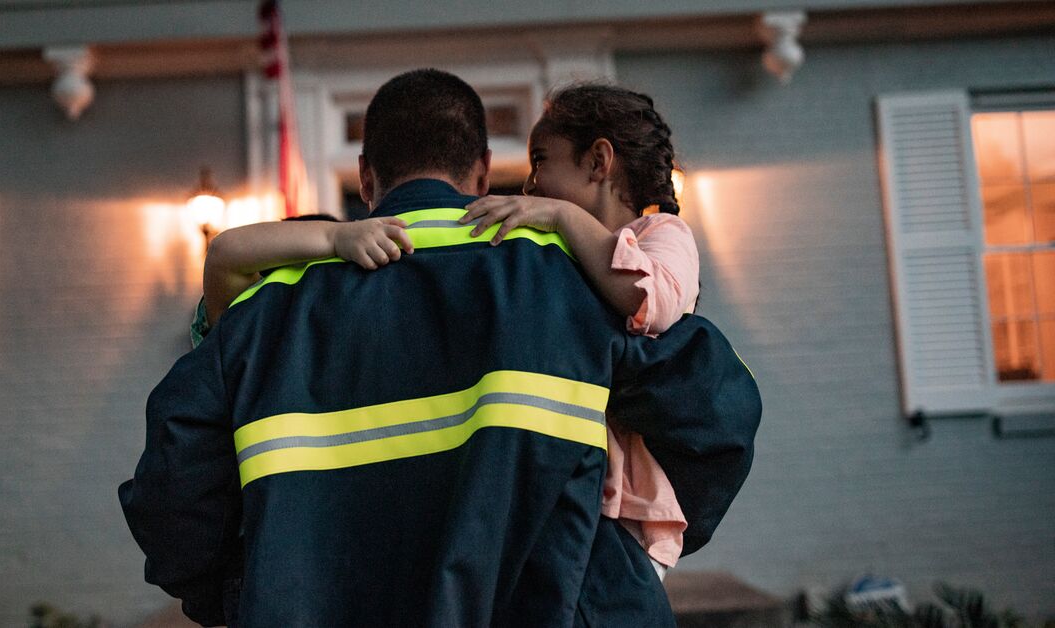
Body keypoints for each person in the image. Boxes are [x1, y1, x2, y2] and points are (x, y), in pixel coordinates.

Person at [120, 68, 760, 627]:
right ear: (482, 172)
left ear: (366, 177)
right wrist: (616, 564)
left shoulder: (267, 304)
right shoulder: (573, 274)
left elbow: (174, 490)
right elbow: (716, 413)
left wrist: (246, 593)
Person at [198, 83, 697, 578]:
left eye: (540, 161)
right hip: (560, 543)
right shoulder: (546, 272)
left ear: (365, 179)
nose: (528, 189)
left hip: (621, 516)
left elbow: (649, 298)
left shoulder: (647, 241)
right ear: (483, 173)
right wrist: (333, 235)